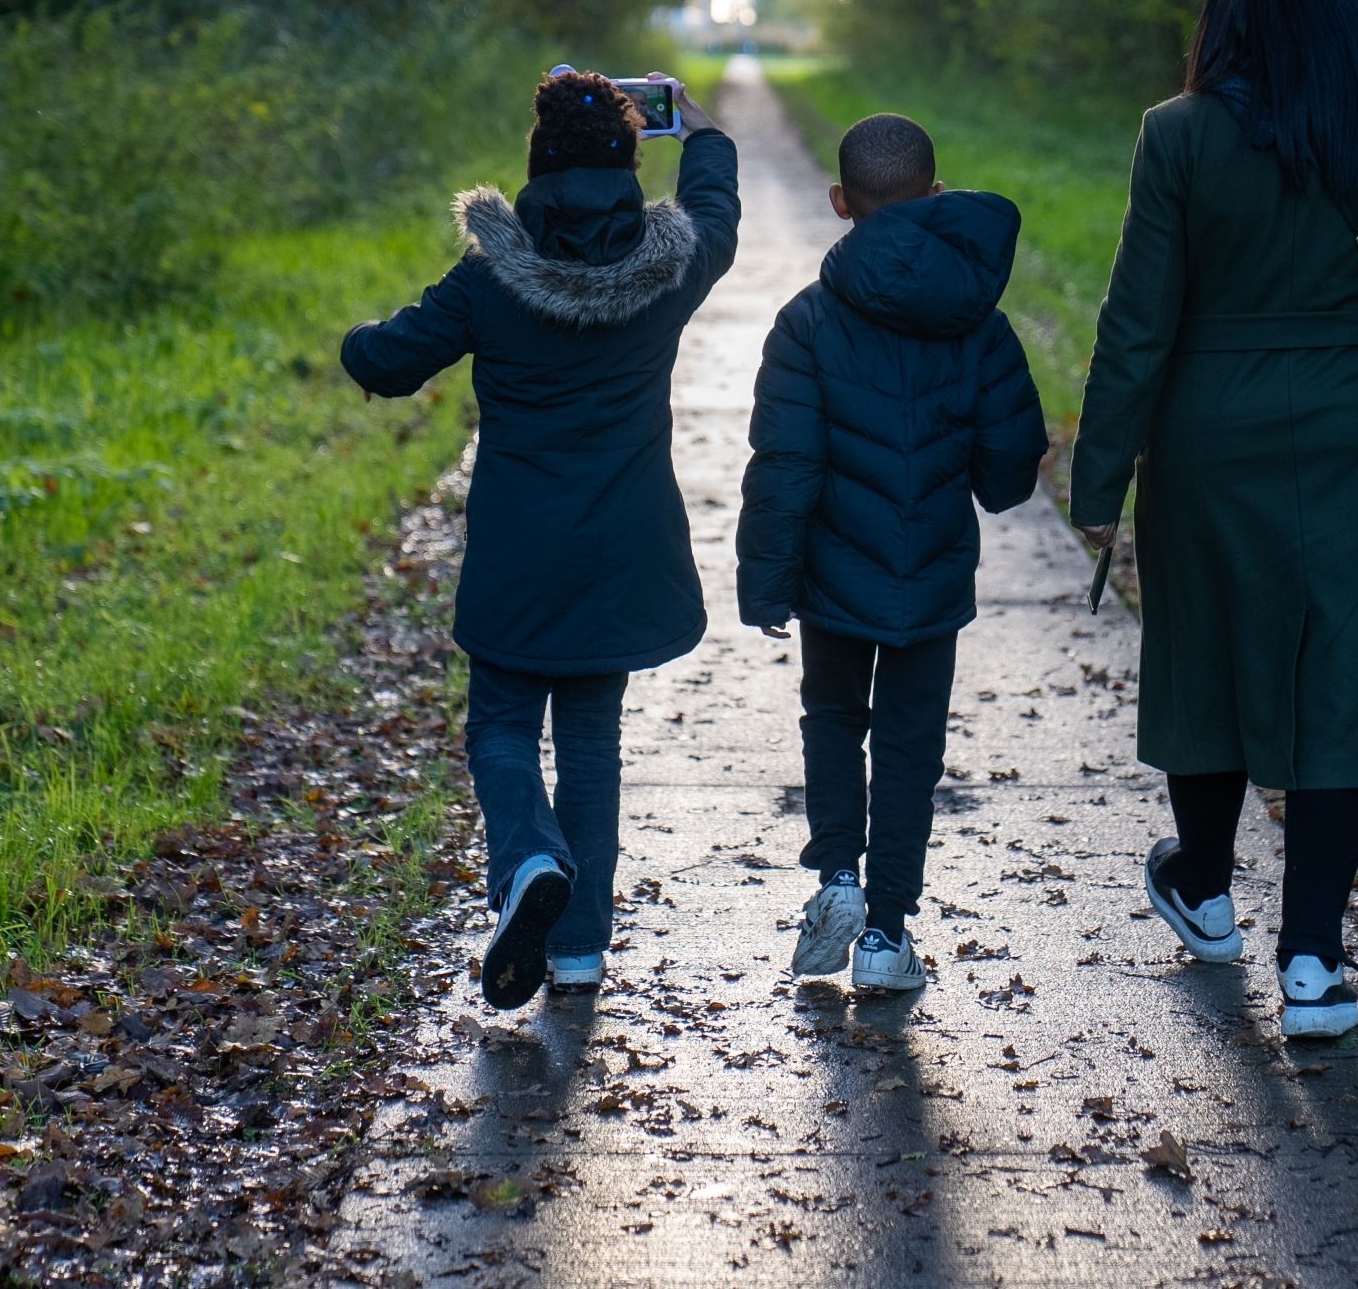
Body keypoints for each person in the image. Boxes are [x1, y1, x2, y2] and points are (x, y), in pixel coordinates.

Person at [1070, 0, 1358, 1039]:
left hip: (1212, 433)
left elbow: (1137, 323)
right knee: (1342, 675)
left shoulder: (1179, 136)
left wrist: (1098, 481)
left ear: (1230, 15)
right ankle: (1313, 962)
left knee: (1210, 655)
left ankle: (1205, 885)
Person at [341, 69, 738, 1010]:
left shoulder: (488, 278)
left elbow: (386, 362)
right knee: (593, 741)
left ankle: (527, 858)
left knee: (503, 726)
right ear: (628, 165)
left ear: (532, 171)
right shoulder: (673, 267)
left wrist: (360, 335)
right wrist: (699, 124)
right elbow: (716, 199)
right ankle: (580, 952)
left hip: (520, 551)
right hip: (622, 551)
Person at [737, 112, 1048, 992]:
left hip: (835, 573)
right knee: (910, 746)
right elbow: (1008, 470)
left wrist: (768, 582)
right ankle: (885, 934)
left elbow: (786, 464)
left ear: (841, 203)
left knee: (834, 721)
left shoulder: (807, 322)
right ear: (937, 196)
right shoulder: (979, 325)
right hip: (933, 572)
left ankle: (836, 874)